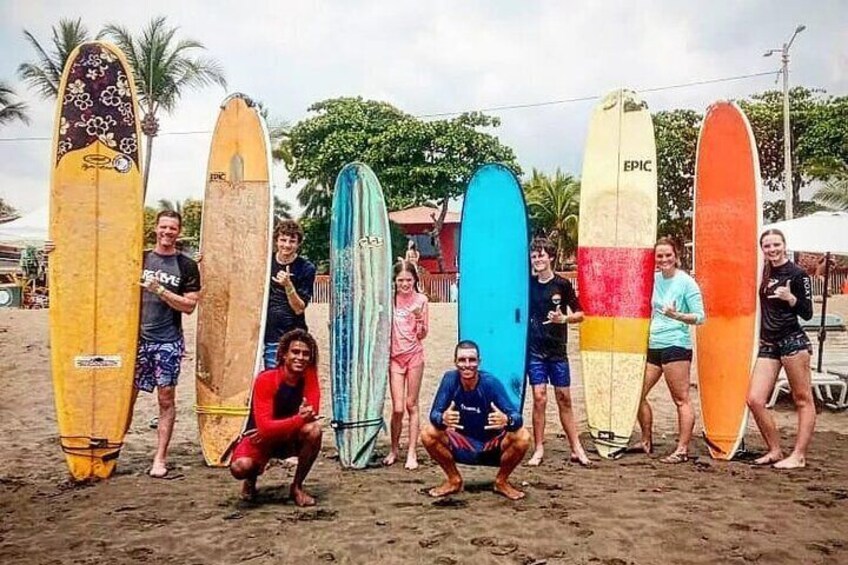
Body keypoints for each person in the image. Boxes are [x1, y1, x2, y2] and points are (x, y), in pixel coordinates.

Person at [421, 340, 530, 500]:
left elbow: (517, 418)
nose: (467, 365)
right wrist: (442, 418)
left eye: (472, 360)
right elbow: (434, 414)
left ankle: (501, 482)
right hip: (462, 443)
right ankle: (454, 480)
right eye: (462, 360)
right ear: (455, 362)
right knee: (428, 433)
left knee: (523, 437)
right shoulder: (450, 380)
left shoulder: (490, 383)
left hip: (492, 446)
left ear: (479, 362)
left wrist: (507, 420)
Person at [746, 229, 815, 469]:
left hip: (793, 341)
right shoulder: (764, 271)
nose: (772, 249)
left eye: (776, 244)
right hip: (770, 344)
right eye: (767, 246)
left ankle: (799, 455)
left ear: (784, 245)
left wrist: (790, 298)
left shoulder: (798, 274)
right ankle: (775, 450)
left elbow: (807, 312)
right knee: (755, 399)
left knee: (802, 399)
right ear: (762, 249)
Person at [229, 329, 323, 505]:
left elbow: (313, 411)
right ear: (284, 355)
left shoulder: (309, 375)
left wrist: (280, 427)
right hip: (259, 440)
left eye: (305, 354)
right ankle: (251, 479)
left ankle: (297, 486)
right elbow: (265, 428)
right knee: (240, 467)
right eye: (295, 352)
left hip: (287, 438)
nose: (300, 358)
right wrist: (299, 419)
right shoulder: (266, 379)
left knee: (314, 431)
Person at [636, 237, 705, 463]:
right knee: (637, 394)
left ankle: (682, 449)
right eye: (659, 256)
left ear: (676, 256)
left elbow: (700, 317)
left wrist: (677, 316)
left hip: (676, 345)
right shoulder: (653, 280)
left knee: (681, 399)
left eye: (668, 255)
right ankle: (646, 440)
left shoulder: (686, 282)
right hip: (653, 345)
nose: (664, 259)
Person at [526, 237, 590, 467]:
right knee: (539, 398)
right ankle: (539, 448)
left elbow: (581, 314)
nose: (538, 259)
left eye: (542, 255)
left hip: (557, 351)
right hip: (534, 351)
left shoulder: (562, 285)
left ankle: (576, 447)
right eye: (534, 256)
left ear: (551, 257)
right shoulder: (527, 284)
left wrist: (564, 318)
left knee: (564, 399)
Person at [384, 260, 429, 470]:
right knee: (398, 407)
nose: (405, 284)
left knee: (412, 405)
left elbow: (423, 334)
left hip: (414, 356)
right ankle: (394, 448)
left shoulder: (421, 300)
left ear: (415, 280)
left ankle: (412, 451)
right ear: (394, 281)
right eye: (401, 280)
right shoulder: (389, 300)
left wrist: (419, 319)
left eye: (408, 280)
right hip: (395, 357)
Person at [263, 220, 316, 369]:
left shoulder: (306, 268)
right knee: (267, 382)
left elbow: (299, 308)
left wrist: (288, 285)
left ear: (298, 243)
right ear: (276, 240)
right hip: (264, 333)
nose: (286, 245)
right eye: (283, 240)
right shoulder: (265, 262)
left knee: (289, 384)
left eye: (292, 241)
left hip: (291, 336)